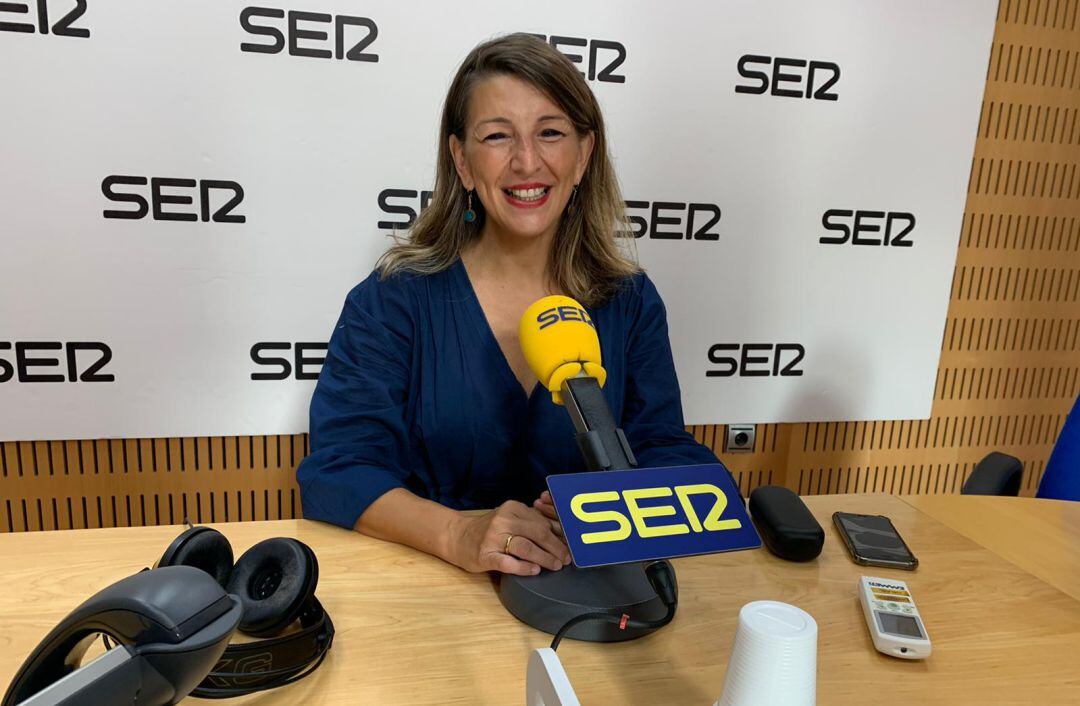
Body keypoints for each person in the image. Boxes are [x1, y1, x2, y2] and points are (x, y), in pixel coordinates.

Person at [297, 33, 723, 577]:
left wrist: (618, 511)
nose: (527, 161)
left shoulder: (629, 300)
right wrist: (458, 533)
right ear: (463, 162)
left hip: (589, 594)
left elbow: (662, 446)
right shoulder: (393, 298)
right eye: (498, 137)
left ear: (584, 154)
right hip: (432, 592)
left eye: (550, 133)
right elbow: (339, 471)